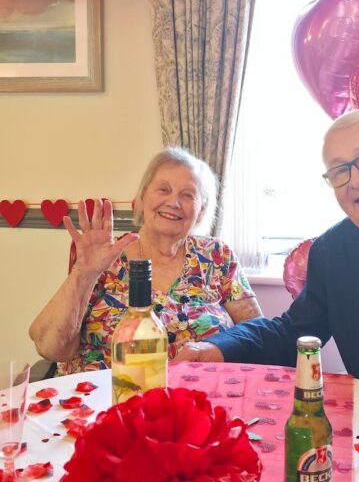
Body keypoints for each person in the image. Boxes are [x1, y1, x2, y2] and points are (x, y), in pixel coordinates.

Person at [175, 108, 359, 415]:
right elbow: (292, 333)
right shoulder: (331, 252)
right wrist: (218, 346)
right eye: (340, 170)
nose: (356, 180)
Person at [29, 146, 262, 373]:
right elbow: (51, 348)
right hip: (106, 393)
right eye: (163, 189)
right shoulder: (107, 255)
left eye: (187, 195)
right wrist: (84, 273)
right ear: (142, 197)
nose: (173, 202)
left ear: (201, 210)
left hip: (198, 393)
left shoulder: (217, 256)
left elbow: (255, 335)